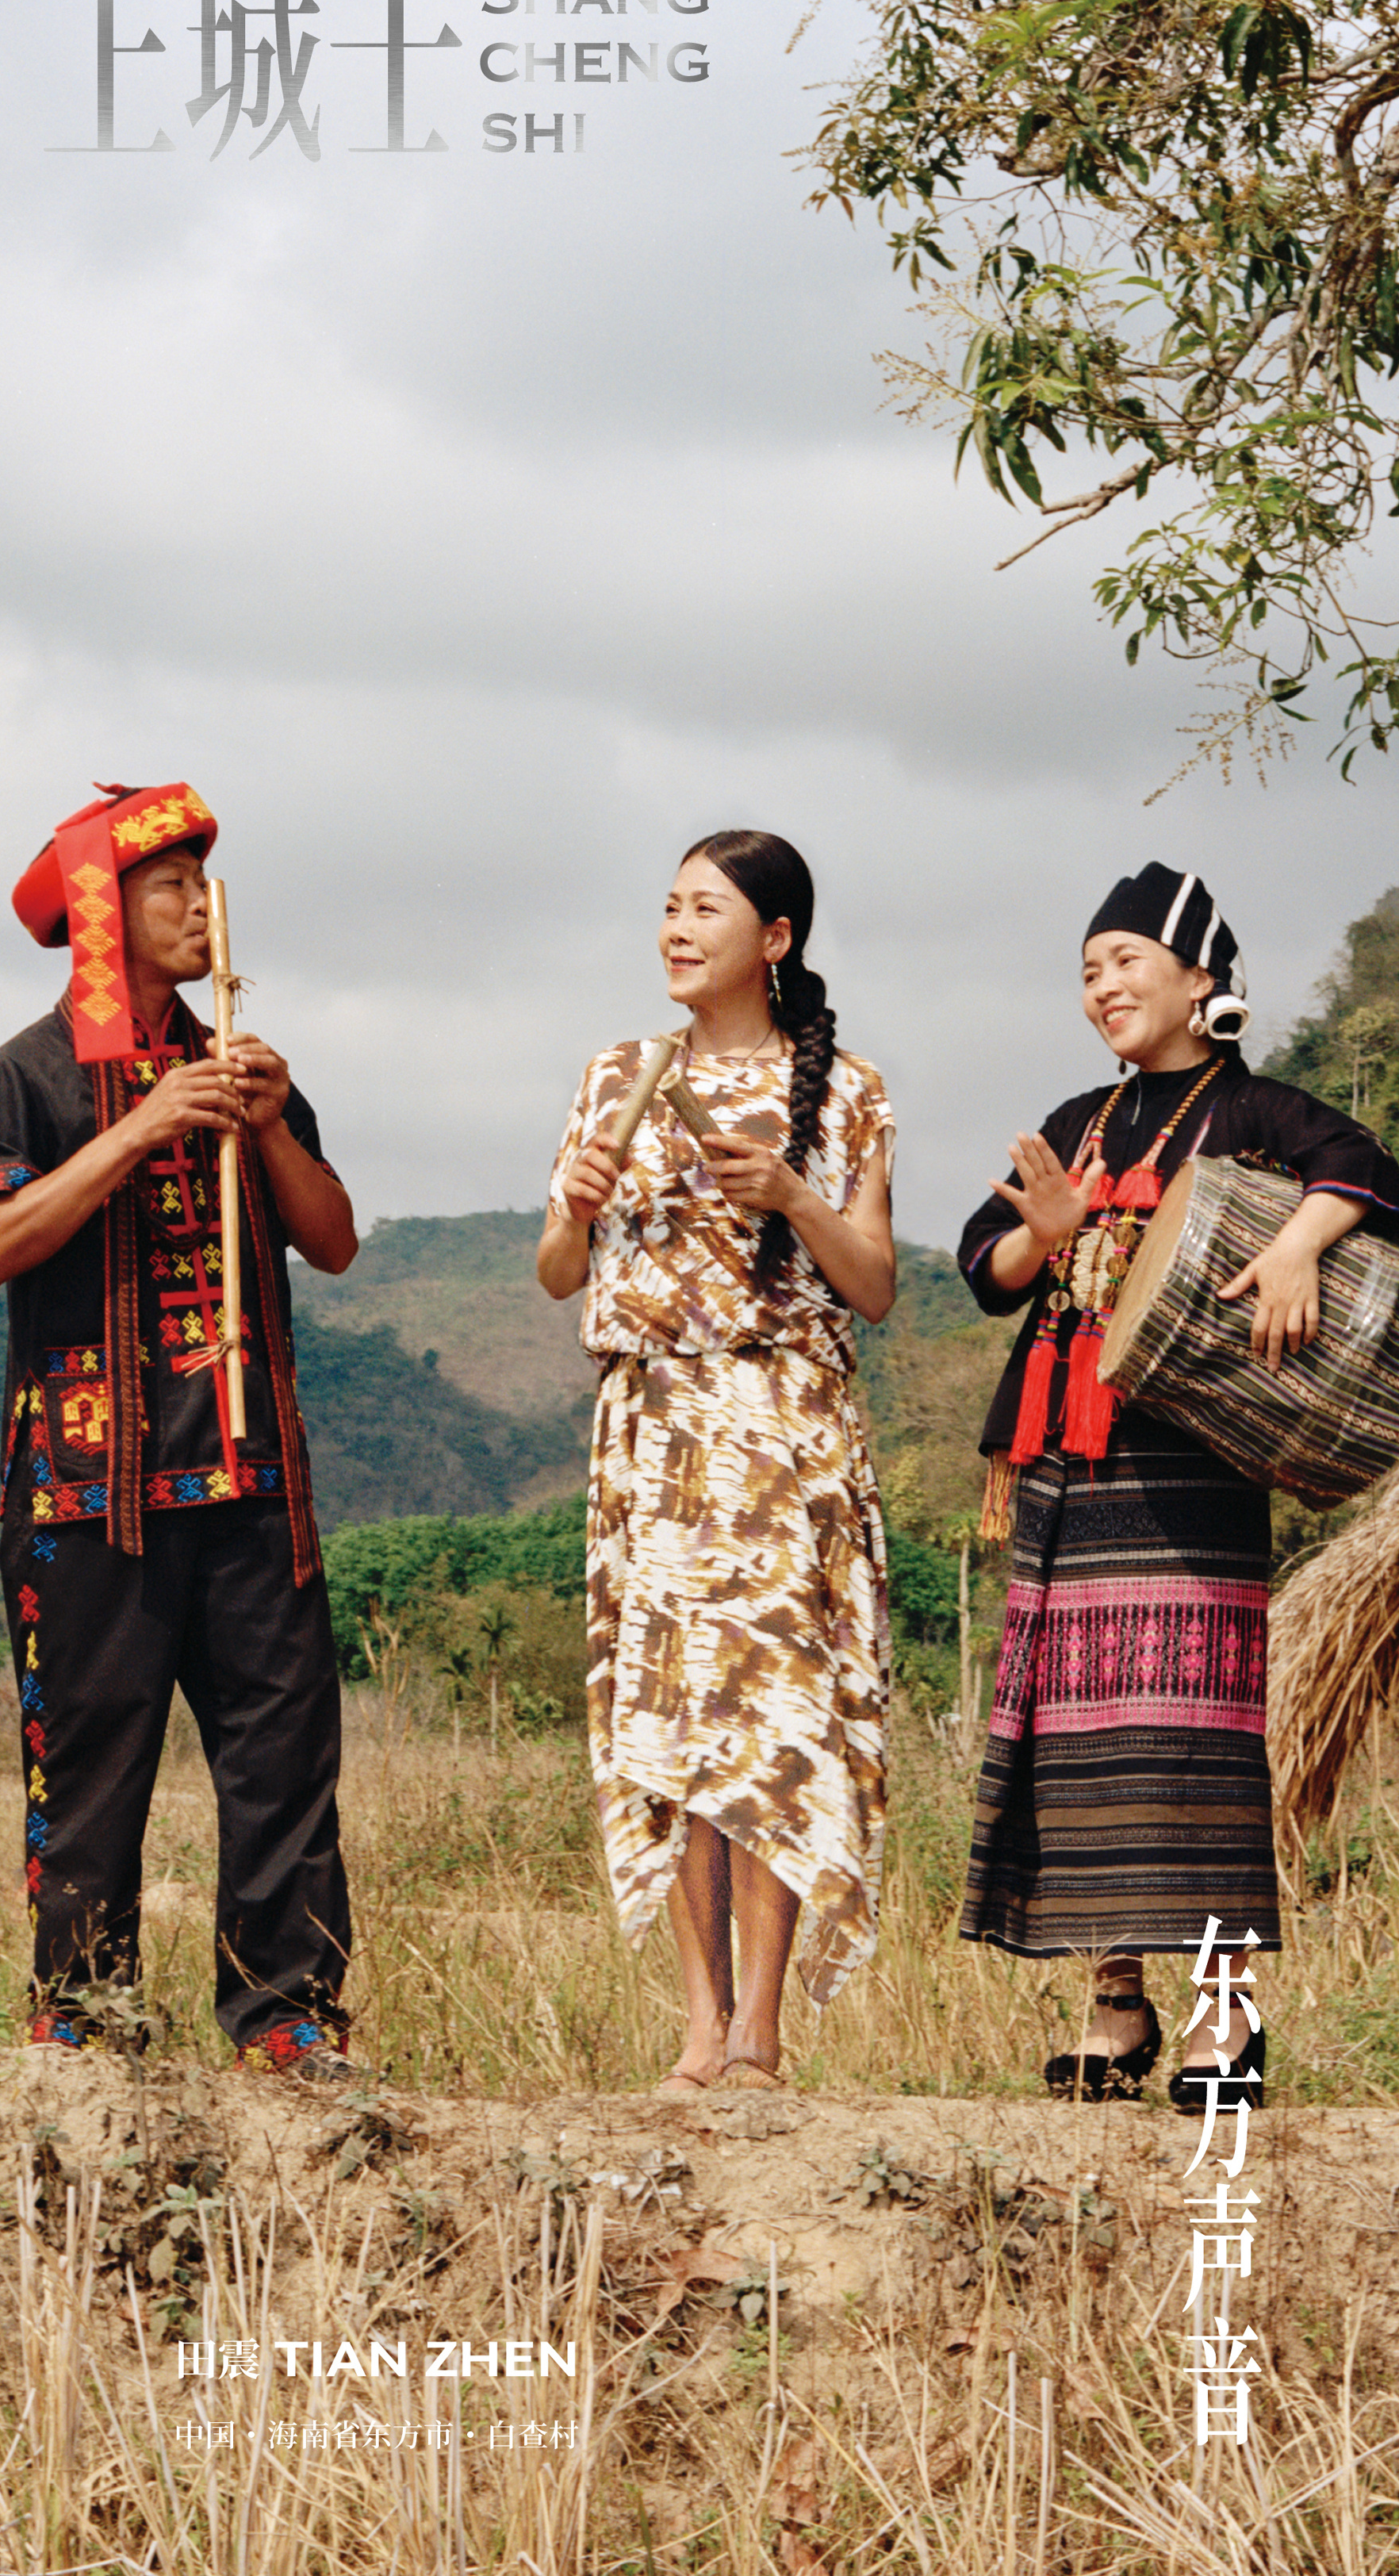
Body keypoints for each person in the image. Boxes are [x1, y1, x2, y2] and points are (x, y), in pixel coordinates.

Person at [957, 862, 1399, 2106]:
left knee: (1190, 1737)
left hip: (1193, 1469)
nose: (1102, 985)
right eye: (1088, 969)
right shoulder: (1080, 1119)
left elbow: (1371, 1177)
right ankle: (1115, 2005)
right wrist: (1046, 1236)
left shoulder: (1257, 1113)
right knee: (1084, 1740)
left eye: (1127, 961)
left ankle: (1224, 2018)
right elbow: (982, 1267)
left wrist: (1301, 1244)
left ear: (1203, 977)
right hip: (1067, 1461)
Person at [0, 780, 359, 2074]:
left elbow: (334, 1240)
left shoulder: (243, 1058)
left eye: (201, 882)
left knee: (284, 1767)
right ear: (102, 914)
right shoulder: (18, 1076)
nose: (200, 906)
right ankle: (84, 2022)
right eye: (170, 885)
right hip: (84, 1493)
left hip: (250, 1478)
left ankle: (285, 2017)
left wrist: (261, 1123)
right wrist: (139, 1129)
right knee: (87, 1777)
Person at [538, 830, 896, 2091]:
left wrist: (794, 1197)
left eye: (708, 910)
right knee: (674, 1732)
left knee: (775, 1727)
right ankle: (699, 2025)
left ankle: (762, 2036)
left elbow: (876, 1287)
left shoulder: (845, 1092)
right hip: (654, 1432)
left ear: (776, 941)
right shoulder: (614, 1076)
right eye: (670, 907)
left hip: (783, 1425)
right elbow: (555, 1274)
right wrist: (573, 1208)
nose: (677, 930)